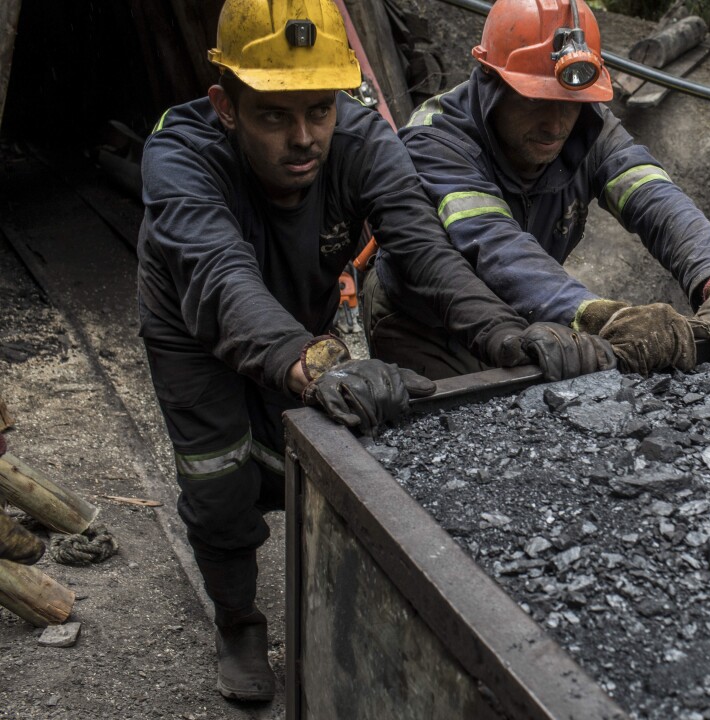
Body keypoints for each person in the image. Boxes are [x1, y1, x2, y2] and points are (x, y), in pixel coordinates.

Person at [137, 0, 610, 702]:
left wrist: (503, 329)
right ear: (225, 105)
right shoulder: (178, 153)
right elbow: (220, 276)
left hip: (299, 309)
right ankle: (237, 618)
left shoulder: (359, 140)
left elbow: (422, 245)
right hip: (193, 318)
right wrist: (318, 361)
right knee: (216, 478)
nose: (304, 138)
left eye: (319, 110)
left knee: (293, 450)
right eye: (274, 115)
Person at [363, 0, 710, 379]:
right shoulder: (435, 141)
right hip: (424, 327)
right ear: (491, 84)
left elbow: (655, 197)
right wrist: (599, 315)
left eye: (570, 102)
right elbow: (494, 243)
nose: (555, 124)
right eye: (534, 101)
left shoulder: (588, 126)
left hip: (529, 321)